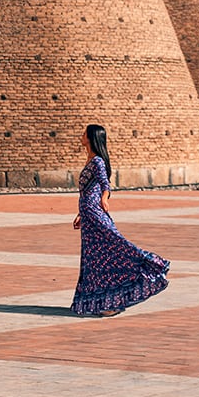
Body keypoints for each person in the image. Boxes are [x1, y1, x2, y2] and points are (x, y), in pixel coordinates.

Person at [71, 123, 170, 317]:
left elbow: (105, 184)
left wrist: (104, 199)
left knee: (115, 247)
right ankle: (105, 303)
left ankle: (151, 265)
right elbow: (86, 191)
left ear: (91, 138)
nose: (81, 135)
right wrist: (80, 214)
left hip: (95, 213)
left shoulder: (98, 161)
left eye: (84, 133)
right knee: (95, 260)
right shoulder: (90, 160)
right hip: (88, 216)